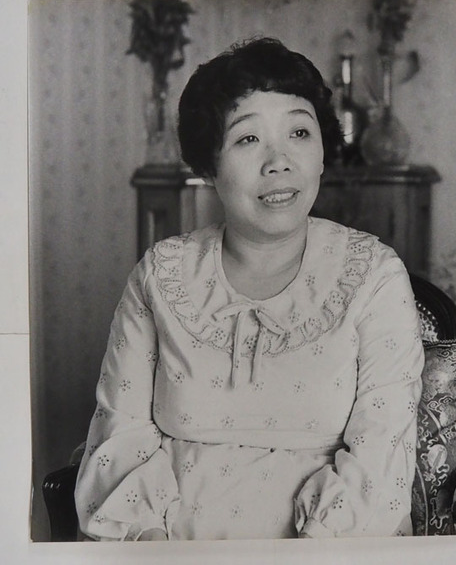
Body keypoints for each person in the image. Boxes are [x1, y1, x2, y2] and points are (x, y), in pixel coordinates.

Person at [75, 37, 424, 541]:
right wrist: (155, 549)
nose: (279, 161)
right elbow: (119, 434)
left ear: (323, 153)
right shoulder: (160, 274)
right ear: (208, 166)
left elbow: (382, 456)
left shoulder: (374, 275)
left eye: (299, 132)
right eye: (247, 139)